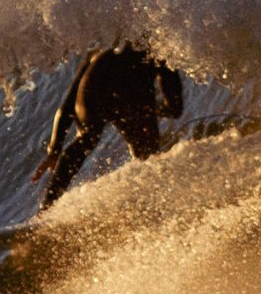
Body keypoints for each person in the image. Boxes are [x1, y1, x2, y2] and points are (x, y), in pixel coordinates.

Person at [32, 45, 185, 208]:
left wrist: (54, 150)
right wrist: (152, 108)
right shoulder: (160, 46)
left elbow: (67, 106)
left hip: (94, 80)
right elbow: (175, 108)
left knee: (87, 138)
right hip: (129, 82)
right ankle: (149, 202)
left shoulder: (102, 45)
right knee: (147, 151)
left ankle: (46, 207)